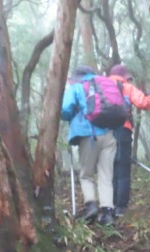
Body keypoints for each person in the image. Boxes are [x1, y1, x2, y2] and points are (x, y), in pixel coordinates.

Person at [61, 66, 118, 226]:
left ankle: (91, 206)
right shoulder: (104, 85)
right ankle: (107, 213)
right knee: (106, 175)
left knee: (86, 174)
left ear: (76, 77)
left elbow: (64, 109)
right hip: (109, 135)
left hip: (89, 135)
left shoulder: (78, 87)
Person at [108, 64, 150, 218]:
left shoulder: (101, 86)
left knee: (112, 168)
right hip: (122, 130)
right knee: (122, 168)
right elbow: (143, 103)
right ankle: (120, 207)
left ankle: (110, 204)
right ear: (124, 76)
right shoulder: (126, 87)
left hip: (104, 132)